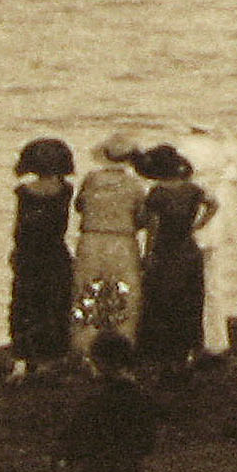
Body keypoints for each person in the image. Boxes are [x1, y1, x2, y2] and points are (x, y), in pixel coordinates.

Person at [39, 335, 163, 472]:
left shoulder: (94, 402)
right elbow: (147, 444)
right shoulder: (144, 398)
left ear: (103, 363)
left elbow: (72, 442)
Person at [132, 144, 218, 374]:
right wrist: (198, 224)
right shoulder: (192, 189)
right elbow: (214, 204)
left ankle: (164, 354)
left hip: (165, 251)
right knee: (189, 301)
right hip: (188, 248)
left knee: (163, 302)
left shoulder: (158, 193)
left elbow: (153, 228)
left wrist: (146, 255)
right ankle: (189, 351)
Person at [7, 138, 77, 383]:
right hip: (55, 252)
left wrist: (16, 251)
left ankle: (22, 360)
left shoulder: (25, 192)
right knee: (55, 304)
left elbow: (21, 229)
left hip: (30, 254)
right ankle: (52, 358)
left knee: (24, 305)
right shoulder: (66, 190)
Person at [72, 133, 148, 358]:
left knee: (88, 292)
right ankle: (123, 345)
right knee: (124, 294)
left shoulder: (91, 180)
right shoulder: (134, 185)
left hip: (91, 239)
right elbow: (142, 217)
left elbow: (79, 206)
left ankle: (85, 347)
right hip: (123, 240)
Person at [177, 128, 237, 367]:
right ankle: (215, 340)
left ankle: (196, 341)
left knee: (190, 285)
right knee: (214, 284)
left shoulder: (185, 148)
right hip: (216, 224)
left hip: (192, 223)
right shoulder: (224, 154)